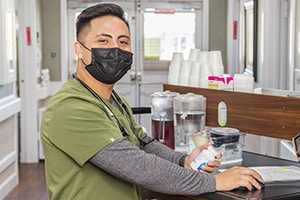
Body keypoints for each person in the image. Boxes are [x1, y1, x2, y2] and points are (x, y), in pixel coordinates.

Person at [41, 3, 264, 200]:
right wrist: (216, 182)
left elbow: (144, 143)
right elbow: (136, 165)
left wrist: (183, 161)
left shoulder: (111, 99)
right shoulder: (70, 107)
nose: (115, 50)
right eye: (103, 41)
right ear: (79, 49)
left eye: (123, 42)